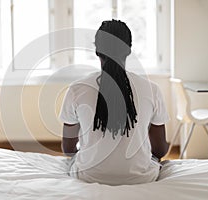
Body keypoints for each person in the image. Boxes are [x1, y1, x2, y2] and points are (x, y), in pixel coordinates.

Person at [59, 19, 169, 185]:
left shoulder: (77, 89)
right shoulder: (152, 89)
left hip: (88, 176)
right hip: (142, 178)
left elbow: (68, 149)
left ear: (97, 51)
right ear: (129, 50)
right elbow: (160, 150)